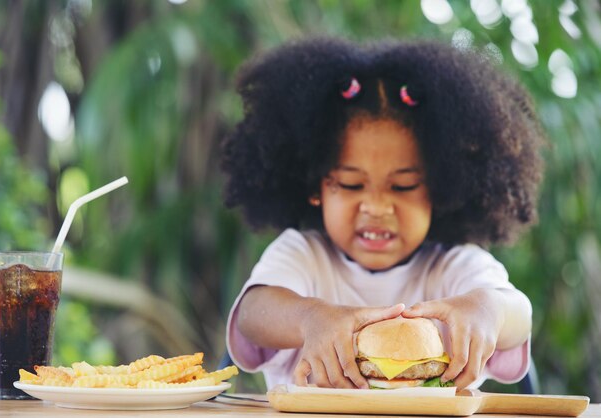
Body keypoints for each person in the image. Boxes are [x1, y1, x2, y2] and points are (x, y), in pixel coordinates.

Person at [220, 36, 545, 391]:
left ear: (441, 189)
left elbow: (520, 315)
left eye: (403, 186)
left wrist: (488, 310)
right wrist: (309, 318)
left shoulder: (456, 266)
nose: (376, 207)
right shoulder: (302, 255)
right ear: (315, 188)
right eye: (350, 184)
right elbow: (252, 314)